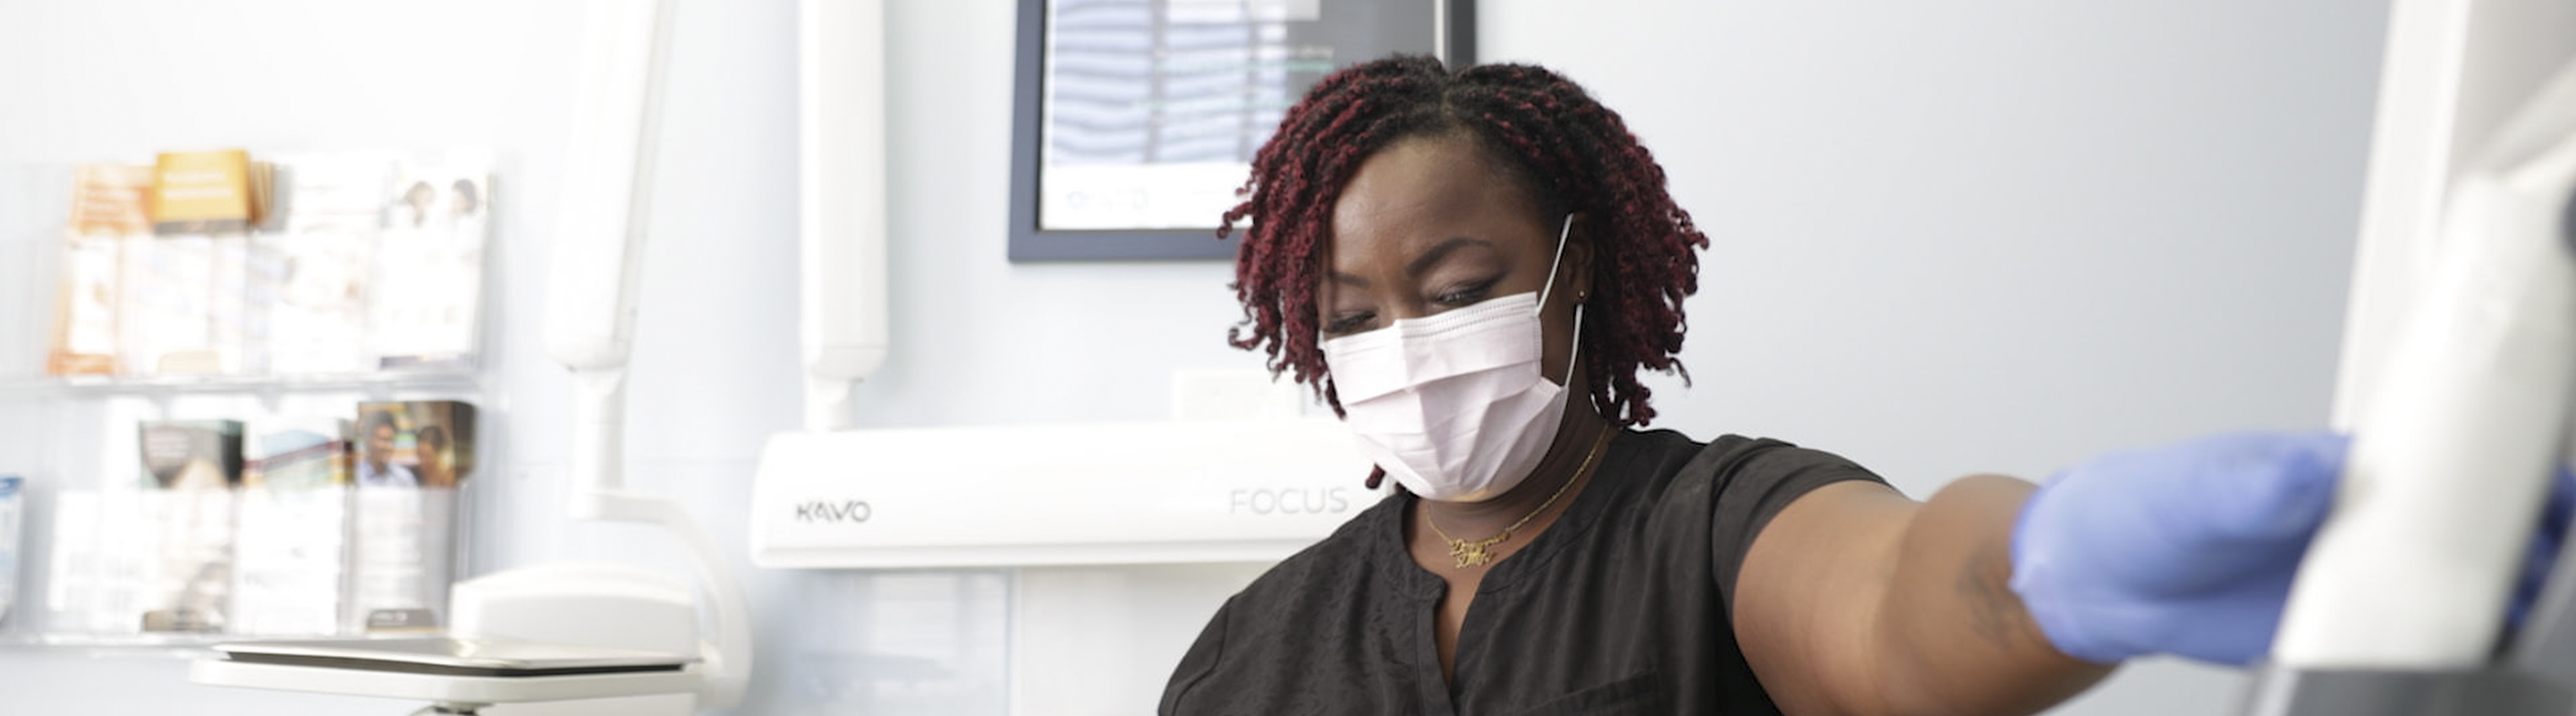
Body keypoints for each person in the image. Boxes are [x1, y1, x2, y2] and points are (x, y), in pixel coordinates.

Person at [1160, 55, 2566, 715]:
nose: (1408, 348)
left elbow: (1901, 597)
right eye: (1356, 316)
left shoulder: (1711, 525)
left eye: (1461, 293)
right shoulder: (1251, 652)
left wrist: (2050, 568)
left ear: (1578, 270)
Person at [356, 411, 418, 489]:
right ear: (368, 440)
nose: (389, 446)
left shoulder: (404, 478)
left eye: (391, 440)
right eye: (384, 440)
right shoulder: (356, 477)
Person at [412, 423, 454, 489]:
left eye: (428, 456)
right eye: (419, 454)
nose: (423, 461)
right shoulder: (416, 471)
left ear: (440, 453)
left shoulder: (448, 476)